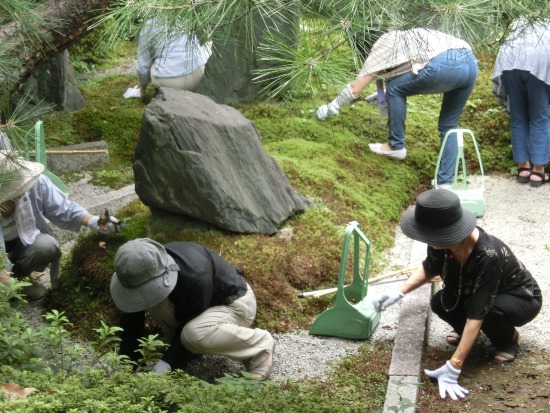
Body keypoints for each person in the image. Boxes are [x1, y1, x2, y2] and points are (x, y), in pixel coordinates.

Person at [371, 189, 542, 401]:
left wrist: (455, 365)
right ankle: (469, 336)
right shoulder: (440, 243)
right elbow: (430, 267)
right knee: (440, 302)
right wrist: (399, 291)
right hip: (474, 292)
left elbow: (478, 311)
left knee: (487, 312)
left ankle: (508, 340)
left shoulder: (488, 255)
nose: (427, 239)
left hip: (519, 297)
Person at [317, 28, 479, 187]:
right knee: (449, 125)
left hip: (444, 63)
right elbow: (407, 74)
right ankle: (445, 184)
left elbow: (355, 89)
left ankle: (396, 146)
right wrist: (385, 94)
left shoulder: (383, 44)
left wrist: (331, 107)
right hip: (470, 63)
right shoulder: (404, 38)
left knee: (395, 89)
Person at [110, 238, 276, 380]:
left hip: (233, 303)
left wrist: (167, 363)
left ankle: (260, 346)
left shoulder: (195, 275)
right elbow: (131, 315)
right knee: (159, 307)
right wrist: (130, 366)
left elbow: (188, 322)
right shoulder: (140, 269)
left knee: (192, 335)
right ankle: (191, 350)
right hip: (198, 308)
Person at [0, 152, 121, 298]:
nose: (22, 190)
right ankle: (7, 293)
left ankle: (20, 281)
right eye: (15, 188)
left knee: (47, 245)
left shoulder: (34, 184)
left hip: (22, 243)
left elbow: (64, 208)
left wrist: (95, 221)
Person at [491, 19, 550, 187]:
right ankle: (538, 172)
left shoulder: (520, 22)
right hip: (541, 59)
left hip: (509, 62)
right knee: (540, 118)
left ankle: (523, 169)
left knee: (518, 118)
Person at [123, 18, 212, 98]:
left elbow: (143, 66)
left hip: (171, 83)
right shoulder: (185, 15)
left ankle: (162, 94)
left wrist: (141, 90)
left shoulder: (149, 25)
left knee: (152, 63)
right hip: (199, 74)